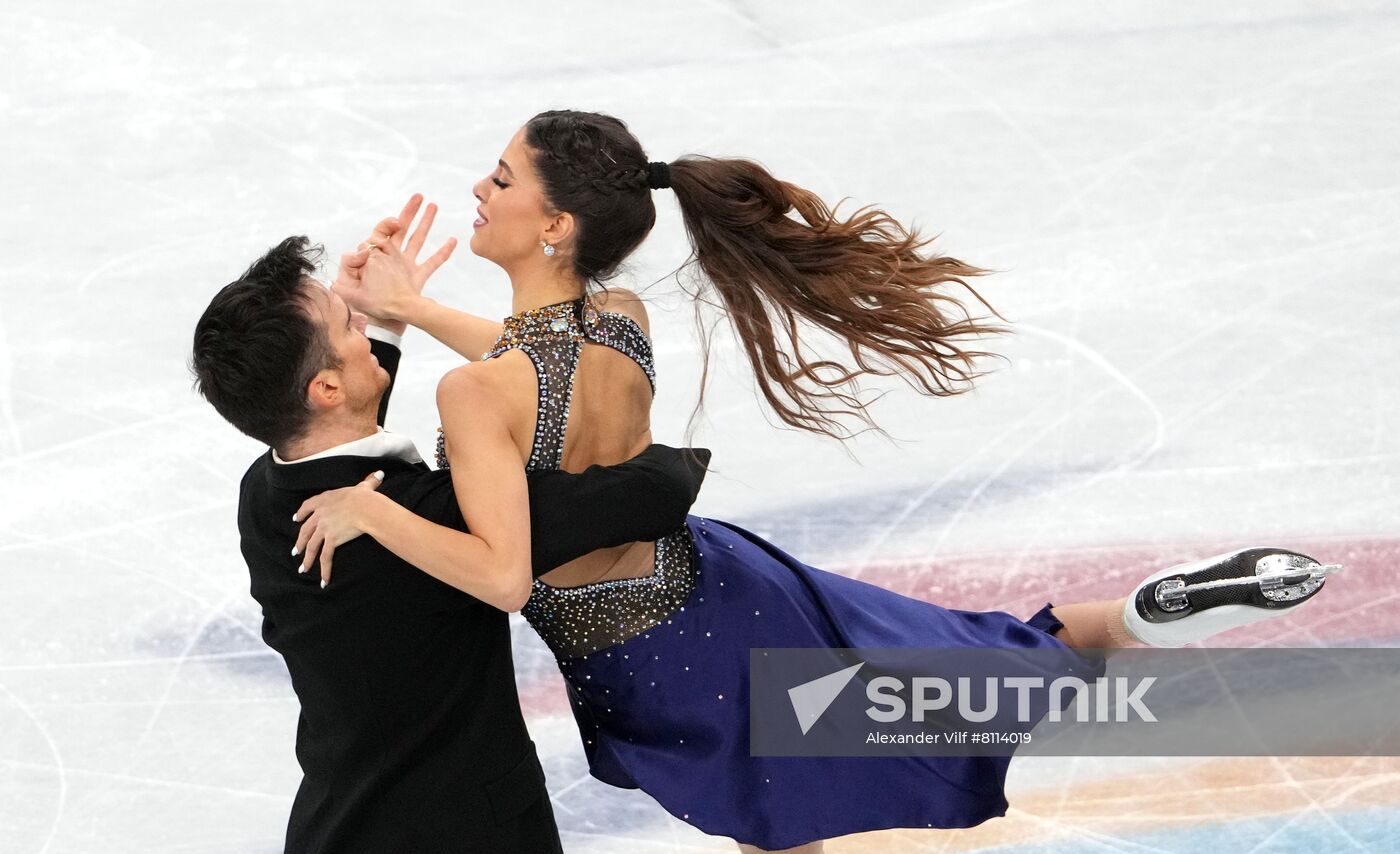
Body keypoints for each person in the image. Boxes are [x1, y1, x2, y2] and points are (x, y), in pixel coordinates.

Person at [297, 111, 1340, 853]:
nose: (479, 191)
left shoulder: (477, 398)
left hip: (651, 657)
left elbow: (504, 577)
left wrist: (372, 506)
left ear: (554, 223)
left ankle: (1126, 624)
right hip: (723, 587)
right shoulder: (619, 321)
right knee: (964, 664)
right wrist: (413, 307)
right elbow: (536, 355)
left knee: (774, 819)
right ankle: (1131, 618)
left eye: (499, 177)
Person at [189, 220, 711, 853]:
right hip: (472, 831)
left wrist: (386, 323)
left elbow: (341, 436)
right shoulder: (433, 521)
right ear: (324, 388)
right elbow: (651, 494)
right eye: (347, 325)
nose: (361, 325)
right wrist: (607, 399)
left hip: (344, 828)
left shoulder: (268, 493)